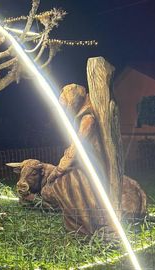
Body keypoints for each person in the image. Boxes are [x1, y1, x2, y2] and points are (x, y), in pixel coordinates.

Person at [42, 84, 110, 235]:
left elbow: (76, 147)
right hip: (84, 164)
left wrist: (59, 169)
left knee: (64, 183)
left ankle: (85, 225)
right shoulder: (81, 117)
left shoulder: (87, 119)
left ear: (73, 101)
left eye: (65, 104)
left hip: (92, 167)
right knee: (62, 182)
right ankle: (77, 223)